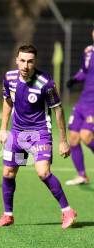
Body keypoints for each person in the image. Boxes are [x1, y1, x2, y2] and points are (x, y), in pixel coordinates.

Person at [0, 44, 77, 229]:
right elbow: (7, 101)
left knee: (43, 172)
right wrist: (2, 128)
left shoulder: (46, 82)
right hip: (16, 133)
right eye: (22, 60)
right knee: (8, 173)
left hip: (39, 133)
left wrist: (63, 140)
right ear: (17, 60)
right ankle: (8, 215)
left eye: (30, 61)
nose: (25, 65)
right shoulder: (9, 78)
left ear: (35, 62)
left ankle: (67, 210)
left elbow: (58, 109)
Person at [65, 27, 94, 186]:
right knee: (74, 138)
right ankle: (82, 175)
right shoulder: (88, 51)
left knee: (86, 136)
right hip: (83, 102)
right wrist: (75, 79)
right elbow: (84, 71)